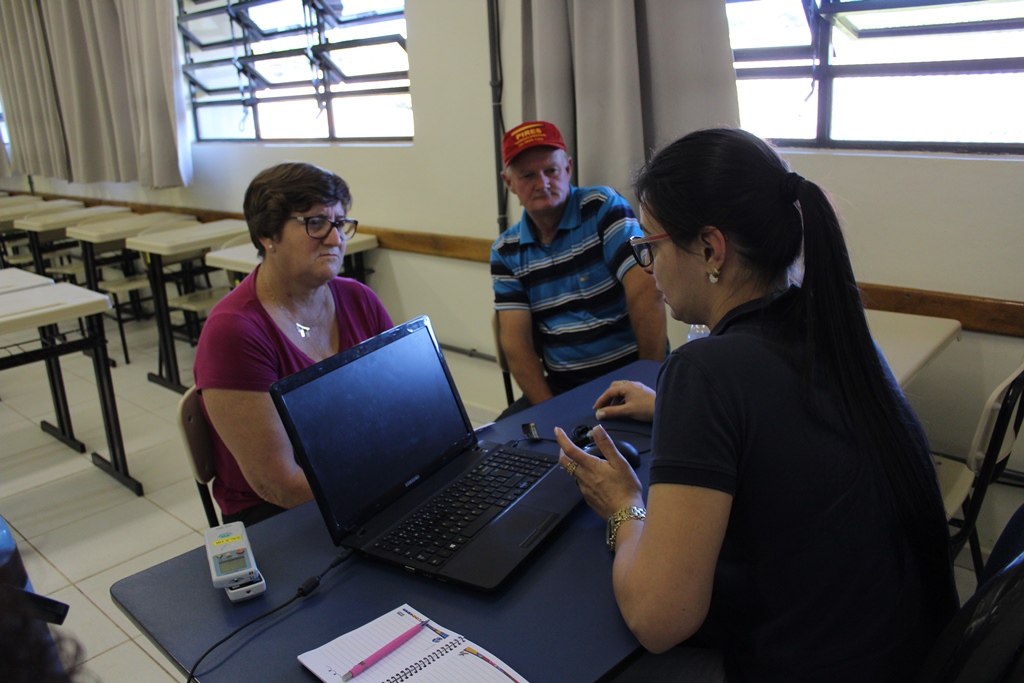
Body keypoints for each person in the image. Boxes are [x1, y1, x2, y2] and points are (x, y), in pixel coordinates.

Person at [555, 129, 957, 682]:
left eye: (651, 247)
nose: (648, 267)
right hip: (912, 657)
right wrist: (673, 410)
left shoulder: (705, 371)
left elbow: (659, 618)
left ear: (710, 249)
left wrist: (624, 505)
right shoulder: (833, 330)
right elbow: (783, 425)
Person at [194, 162, 393, 526]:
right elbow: (278, 486)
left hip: (362, 477)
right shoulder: (234, 332)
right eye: (315, 223)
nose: (335, 239)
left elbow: (400, 405)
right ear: (267, 235)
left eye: (340, 223)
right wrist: (390, 487)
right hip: (279, 514)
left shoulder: (359, 298)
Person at [491, 120, 666, 416]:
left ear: (568, 168)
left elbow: (647, 291)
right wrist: (551, 413)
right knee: (493, 438)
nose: (543, 183)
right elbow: (516, 343)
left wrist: (644, 382)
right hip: (564, 387)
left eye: (551, 170)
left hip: (630, 375)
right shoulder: (505, 251)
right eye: (528, 175)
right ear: (508, 183)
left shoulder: (603, 208)